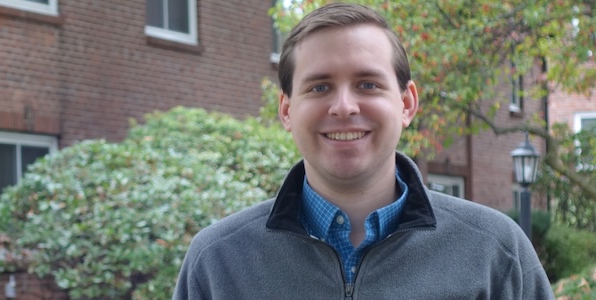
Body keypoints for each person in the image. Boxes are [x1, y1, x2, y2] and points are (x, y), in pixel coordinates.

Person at [172, 3, 552, 299]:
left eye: (367, 84)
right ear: (287, 110)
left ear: (407, 103)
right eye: (319, 87)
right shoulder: (218, 262)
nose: (344, 107)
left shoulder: (494, 251)